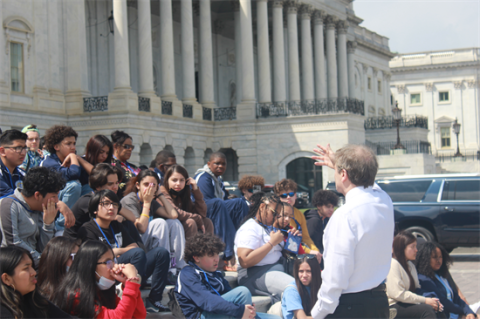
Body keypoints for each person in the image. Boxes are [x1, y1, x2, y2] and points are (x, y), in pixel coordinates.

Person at [310, 143, 394, 319]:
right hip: (378, 302)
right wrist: (340, 164)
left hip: (349, 307)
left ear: (343, 174)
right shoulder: (384, 201)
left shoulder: (344, 216)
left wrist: (318, 313)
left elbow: (336, 277)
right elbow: (371, 184)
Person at [77, 189, 170, 313]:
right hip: (107, 272)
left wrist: (116, 250)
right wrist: (116, 253)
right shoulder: (88, 229)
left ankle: (154, 300)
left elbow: (135, 247)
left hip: (126, 268)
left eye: (115, 204)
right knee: (137, 254)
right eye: (105, 204)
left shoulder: (117, 225)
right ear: (95, 209)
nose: (111, 208)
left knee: (161, 253)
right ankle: (126, 291)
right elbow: (95, 257)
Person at [175, 232, 280, 319]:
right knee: (242, 293)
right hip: (201, 315)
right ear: (196, 258)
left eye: (217, 254)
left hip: (221, 312)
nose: (217, 259)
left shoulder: (216, 274)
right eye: (211, 255)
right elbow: (207, 302)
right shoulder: (188, 274)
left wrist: (247, 309)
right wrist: (240, 310)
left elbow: (229, 295)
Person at [52, 240, 147, 319]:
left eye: (114, 261)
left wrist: (127, 284)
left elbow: (138, 316)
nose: (114, 266)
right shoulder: (75, 295)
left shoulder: (102, 290)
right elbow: (119, 317)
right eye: (108, 262)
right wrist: (132, 283)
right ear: (90, 266)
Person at [121, 169, 186, 273]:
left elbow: (173, 215)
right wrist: (147, 202)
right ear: (138, 185)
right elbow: (141, 228)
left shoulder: (153, 201)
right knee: (159, 223)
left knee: (175, 223)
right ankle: (163, 267)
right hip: (135, 244)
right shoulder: (130, 200)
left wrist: (160, 194)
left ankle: (179, 266)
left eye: (153, 185)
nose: (149, 188)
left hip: (146, 241)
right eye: (146, 184)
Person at [234, 193, 295, 301]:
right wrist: (271, 243)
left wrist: (293, 240)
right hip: (256, 274)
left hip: (277, 269)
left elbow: (284, 253)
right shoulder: (250, 228)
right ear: (262, 207)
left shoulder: (268, 227)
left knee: (311, 284)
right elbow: (244, 261)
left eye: (278, 214)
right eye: (274, 213)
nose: (276, 217)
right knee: (295, 289)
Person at [0, 167, 65, 267]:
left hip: (37, 265)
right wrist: (43, 261)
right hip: (16, 267)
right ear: (37, 195)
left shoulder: (41, 208)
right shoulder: (9, 205)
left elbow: (43, 248)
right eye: (53, 196)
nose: (56, 201)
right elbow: (13, 244)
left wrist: (48, 225)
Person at [195, 152, 249, 270]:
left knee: (239, 203)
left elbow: (223, 199)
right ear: (209, 164)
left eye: (223, 164)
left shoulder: (218, 179)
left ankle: (245, 244)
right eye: (217, 163)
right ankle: (227, 254)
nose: (220, 166)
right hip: (202, 212)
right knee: (219, 203)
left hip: (216, 208)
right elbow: (204, 203)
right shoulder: (203, 178)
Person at [63, 163, 137, 241]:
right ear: (98, 186)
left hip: (96, 239)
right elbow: (104, 220)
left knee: (128, 224)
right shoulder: (88, 200)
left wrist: (120, 214)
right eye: (110, 184)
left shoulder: (111, 198)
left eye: (116, 183)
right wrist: (116, 217)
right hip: (77, 243)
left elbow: (132, 218)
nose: (115, 187)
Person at [0, 246, 79, 319]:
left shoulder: (35, 301)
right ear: (7, 279)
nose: (34, 272)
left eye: (32, 267)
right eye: (26, 268)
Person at [386, 231, 444, 319]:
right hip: (393, 307)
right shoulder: (393, 264)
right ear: (402, 248)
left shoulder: (411, 266)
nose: (416, 250)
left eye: (416, 246)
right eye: (412, 247)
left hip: (407, 303)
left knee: (438, 309)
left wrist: (431, 299)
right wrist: (425, 300)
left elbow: (417, 289)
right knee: (426, 310)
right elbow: (398, 294)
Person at [415, 241, 477, 319]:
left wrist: (469, 312)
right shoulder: (424, 279)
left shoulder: (440, 276)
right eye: (434, 257)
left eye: (440, 257)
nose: (438, 260)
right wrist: (463, 311)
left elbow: (456, 298)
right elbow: (444, 302)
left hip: (455, 314)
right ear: (425, 259)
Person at [273, 179, 321, 263]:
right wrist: (309, 252)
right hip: (283, 254)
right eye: (284, 195)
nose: (288, 197)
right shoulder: (277, 214)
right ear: (278, 198)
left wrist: (315, 251)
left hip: (298, 250)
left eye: (291, 194)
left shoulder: (299, 214)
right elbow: (288, 240)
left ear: (295, 196)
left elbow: (306, 238)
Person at [160, 164, 214, 239]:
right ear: (167, 181)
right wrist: (197, 218)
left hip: (179, 224)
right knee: (190, 222)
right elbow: (175, 212)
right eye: (174, 180)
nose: (178, 184)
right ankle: (190, 250)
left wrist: (195, 190)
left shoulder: (182, 194)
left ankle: (208, 249)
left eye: (182, 180)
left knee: (207, 222)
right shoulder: (162, 192)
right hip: (167, 226)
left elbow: (202, 214)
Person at [37, 237, 80, 301]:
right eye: (75, 256)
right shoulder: (43, 298)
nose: (78, 261)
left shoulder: (79, 288)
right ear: (58, 259)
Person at [303, 190, 338, 269]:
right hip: (314, 260)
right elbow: (309, 242)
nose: (331, 210)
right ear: (319, 206)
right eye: (328, 206)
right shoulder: (314, 221)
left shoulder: (326, 219)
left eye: (332, 207)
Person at [281, 255, 322, 319]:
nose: (304, 275)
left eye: (308, 271)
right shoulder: (291, 290)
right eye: (301, 271)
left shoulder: (321, 285)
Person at [111, 131, 140, 198]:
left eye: (131, 147)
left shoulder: (133, 167)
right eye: (126, 146)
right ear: (115, 146)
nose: (130, 149)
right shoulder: (110, 166)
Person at [0, 129, 27, 199]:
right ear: (2, 151)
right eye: (18, 148)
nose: (23, 153)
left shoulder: (23, 174)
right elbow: (12, 198)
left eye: (24, 148)